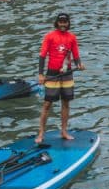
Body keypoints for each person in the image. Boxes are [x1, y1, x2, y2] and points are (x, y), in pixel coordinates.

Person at [36, 13, 85, 144]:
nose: (63, 24)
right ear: (57, 23)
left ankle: (63, 131)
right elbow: (42, 56)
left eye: (65, 22)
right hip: (52, 74)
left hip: (67, 74)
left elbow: (75, 55)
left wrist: (79, 65)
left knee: (66, 103)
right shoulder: (50, 36)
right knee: (47, 104)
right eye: (60, 22)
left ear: (68, 23)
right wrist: (41, 74)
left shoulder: (72, 37)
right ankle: (41, 133)